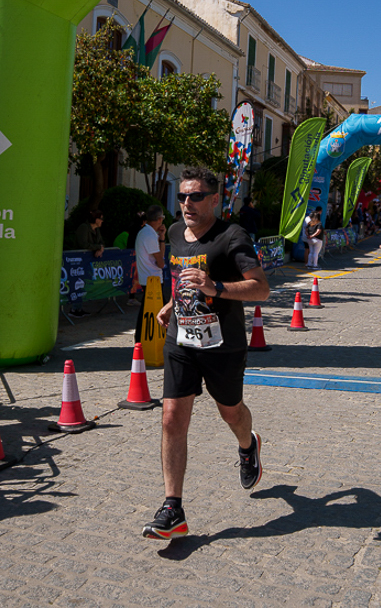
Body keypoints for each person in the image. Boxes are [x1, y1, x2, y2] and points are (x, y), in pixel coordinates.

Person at [142, 167, 270, 540]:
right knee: (171, 418)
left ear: (214, 199)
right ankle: (173, 509)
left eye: (196, 196)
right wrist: (172, 304)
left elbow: (261, 288)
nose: (187, 203)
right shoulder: (174, 233)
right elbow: (184, 280)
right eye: (183, 196)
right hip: (181, 340)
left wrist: (216, 288)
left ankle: (248, 445)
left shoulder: (232, 236)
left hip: (222, 344)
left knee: (231, 412)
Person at [133, 204, 167, 343]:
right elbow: (161, 263)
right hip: (152, 278)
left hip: (149, 277)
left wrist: (162, 238)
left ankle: (141, 339)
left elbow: (160, 257)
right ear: (159, 219)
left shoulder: (148, 233)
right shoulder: (149, 234)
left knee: (148, 309)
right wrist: (161, 239)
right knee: (159, 309)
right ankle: (143, 339)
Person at [71, 209, 105, 318]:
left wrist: (100, 248)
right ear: (96, 219)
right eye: (101, 218)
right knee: (77, 284)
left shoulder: (97, 230)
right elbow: (83, 244)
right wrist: (98, 247)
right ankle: (75, 308)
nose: (102, 221)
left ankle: (79, 307)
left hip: (87, 262)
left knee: (83, 284)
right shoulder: (84, 228)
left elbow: (101, 243)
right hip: (78, 261)